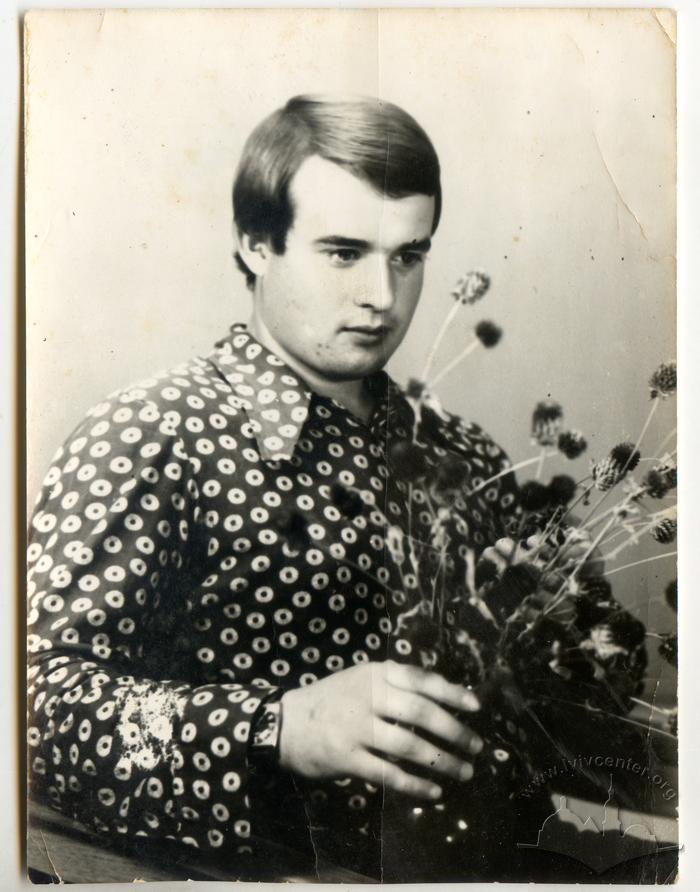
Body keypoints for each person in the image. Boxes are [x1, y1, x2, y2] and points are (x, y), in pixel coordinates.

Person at [27, 94, 557, 881]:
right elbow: (32, 710)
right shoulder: (150, 434)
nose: (383, 294)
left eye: (408, 255)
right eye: (343, 253)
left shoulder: (467, 455)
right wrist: (280, 727)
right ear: (254, 244)